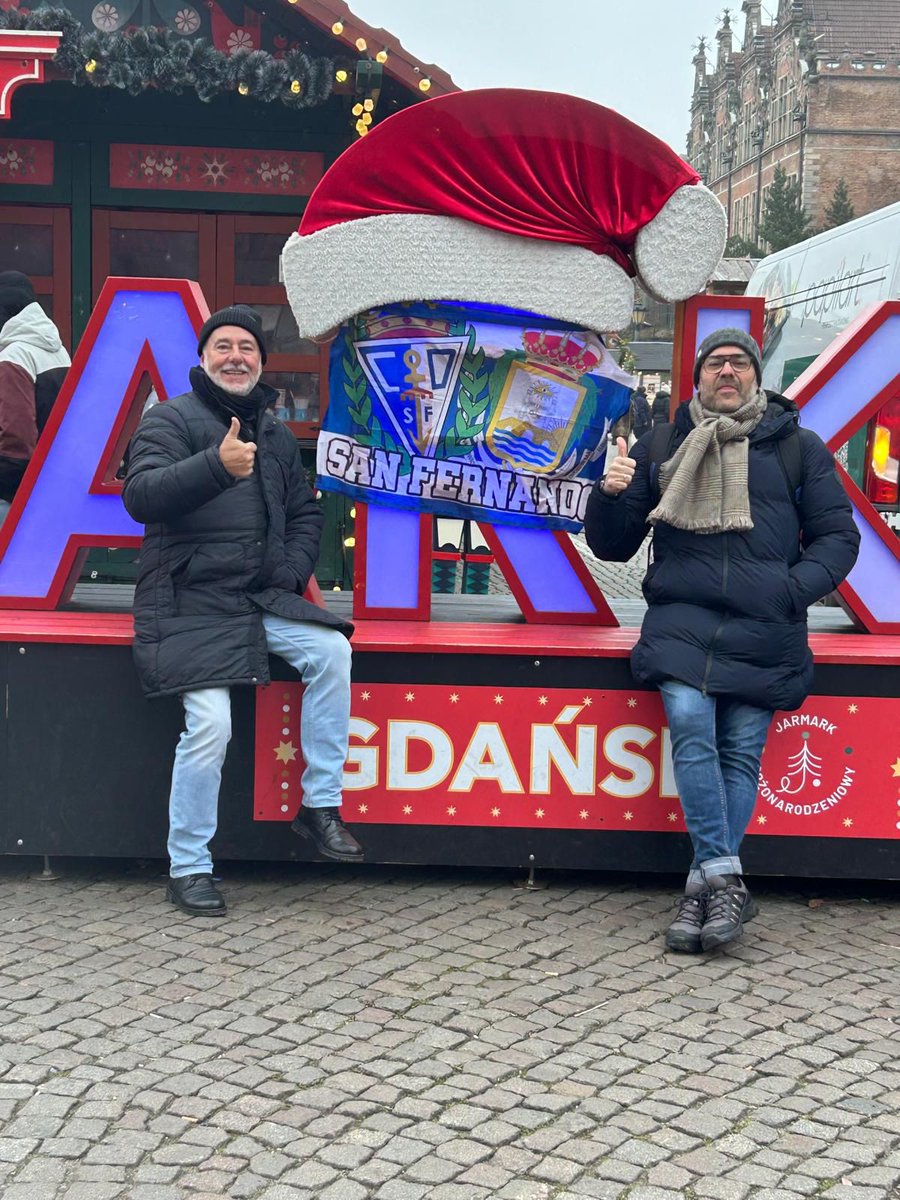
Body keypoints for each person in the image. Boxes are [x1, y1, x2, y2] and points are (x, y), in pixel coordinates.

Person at [584, 328, 859, 953]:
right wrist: (610, 494)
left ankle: (702, 887)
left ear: (756, 376)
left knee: (740, 748)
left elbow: (839, 539)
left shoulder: (798, 448)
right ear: (699, 378)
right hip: (683, 618)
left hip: (766, 624)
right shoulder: (664, 443)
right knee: (688, 718)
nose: (727, 372)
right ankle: (725, 878)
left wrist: (790, 592)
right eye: (716, 363)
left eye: (738, 363)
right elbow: (614, 545)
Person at [123, 305, 362, 918]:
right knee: (211, 727)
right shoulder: (170, 417)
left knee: (332, 651)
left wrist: (288, 571)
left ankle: (319, 805)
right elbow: (140, 496)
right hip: (187, 603)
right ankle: (190, 866)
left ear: (260, 361)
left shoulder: (276, 432)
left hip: (258, 597)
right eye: (223, 345)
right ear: (203, 358)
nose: (236, 356)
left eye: (248, 348)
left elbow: (307, 513)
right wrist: (214, 466)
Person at [0, 271, 69, 523]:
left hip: (15, 493)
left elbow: (17, 436)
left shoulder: (14, 355)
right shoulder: (58, 351)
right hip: (53, 485)